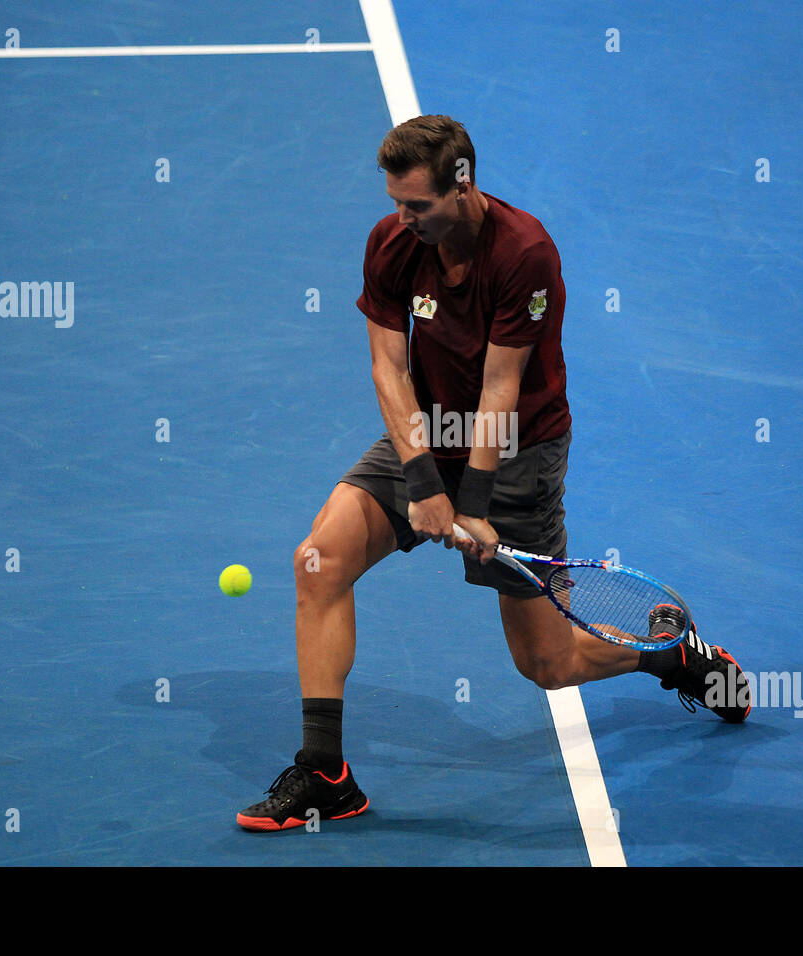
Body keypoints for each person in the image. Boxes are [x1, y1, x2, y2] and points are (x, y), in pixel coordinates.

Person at [237, 115, 749, 832]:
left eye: (416, 205)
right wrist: (422, 482)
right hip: (426, 438)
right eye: (394, 202)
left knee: (547, 663)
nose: (401, 218)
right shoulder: (393, 243)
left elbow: (501, 390)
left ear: (463, 184)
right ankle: (326, 774)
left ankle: (669, 655)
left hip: (517, 457)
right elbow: (388, 367)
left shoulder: (524, 253)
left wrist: (471, 504)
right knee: (317, 564)